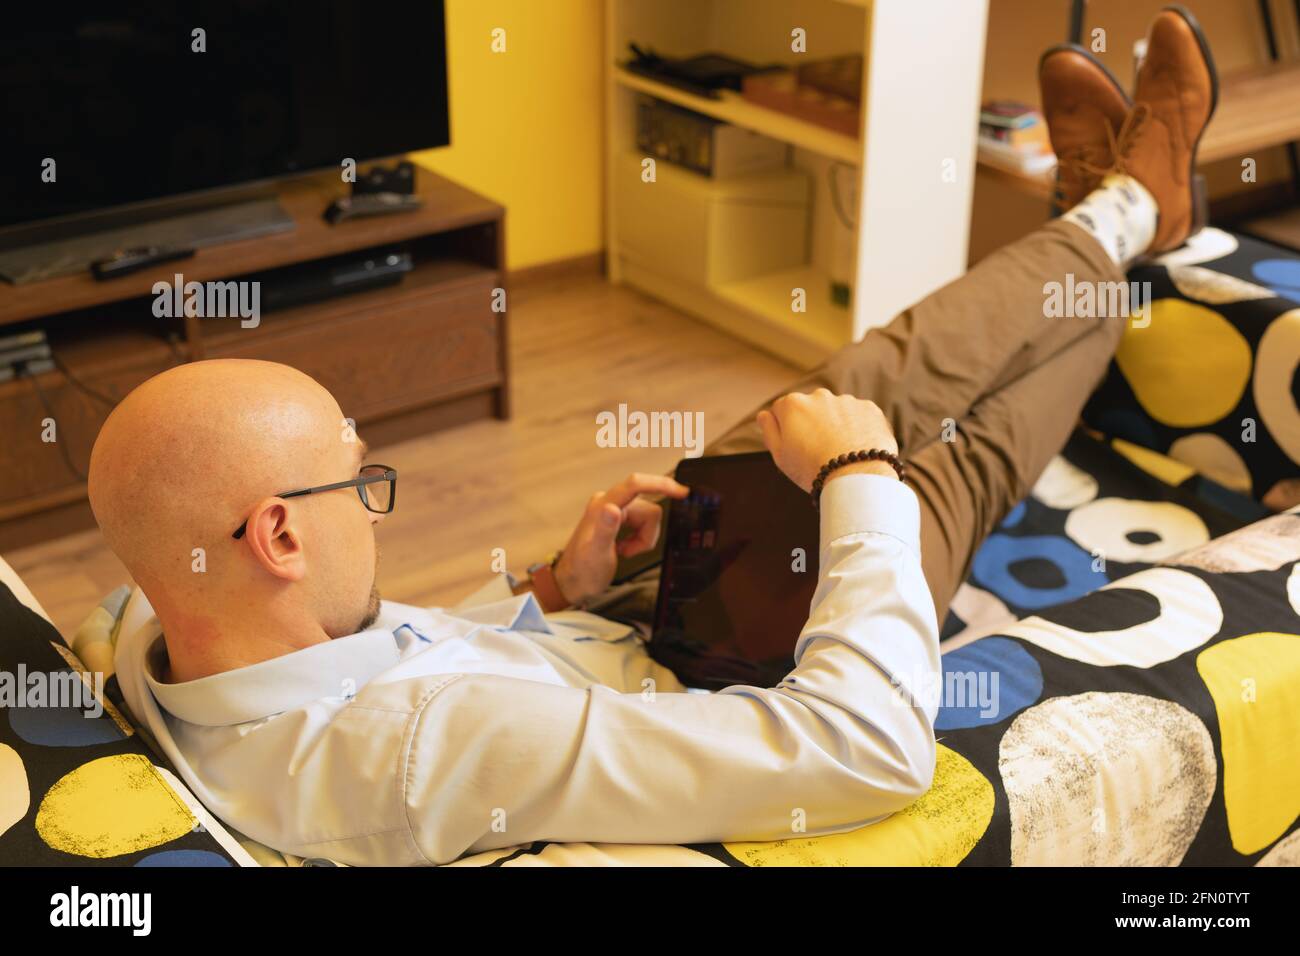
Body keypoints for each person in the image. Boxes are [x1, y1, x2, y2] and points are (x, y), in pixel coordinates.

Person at [91, 7, 1217, 865]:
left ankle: (1115, 212)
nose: (376, 502)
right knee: (938, 463)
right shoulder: (425, 744)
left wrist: (551, 591)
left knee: (859, 376)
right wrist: (858, 477)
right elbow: (868, 749)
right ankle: (1123, 211)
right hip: (741, 661)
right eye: (359, 484)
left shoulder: (160, 632)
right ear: (279, 535)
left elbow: (385, 657)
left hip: (630, 616)